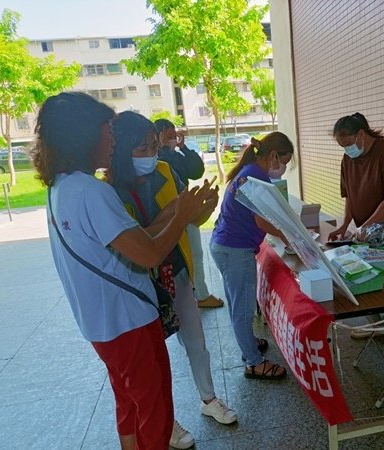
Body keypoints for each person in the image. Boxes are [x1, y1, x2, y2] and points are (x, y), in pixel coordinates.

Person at [32, 92, 211, 450]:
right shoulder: (93, 192)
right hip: (128, 321)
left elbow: (136, 238)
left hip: (102, 323)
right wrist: (181, 215)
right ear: (82, 137)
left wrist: (178, 210)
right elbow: (149, 254)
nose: (112, 139)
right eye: (106, 130)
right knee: (154, 409)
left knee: (128, 402)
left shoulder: (63, 187)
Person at [109, 111, 237, 449]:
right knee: (152, 362)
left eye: (154, 146)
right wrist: (176, 214)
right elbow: (142, 240)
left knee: (196, 340)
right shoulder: (107, 190)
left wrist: (206, 206)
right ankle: (167, 421)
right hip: (140, 283)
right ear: (120, 150)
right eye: (142, 149)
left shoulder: (165, 171)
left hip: (175, 270)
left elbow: (191, 217)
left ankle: (209, 400)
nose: (152, 155)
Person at [328, 113, 384, 354]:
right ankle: (378, 323)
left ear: (361, 134)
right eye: (342, 146)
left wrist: (365, 227)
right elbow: (349, 195)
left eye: (347, 143)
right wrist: (344, 225)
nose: (346, 149)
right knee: (366, 274)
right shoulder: (348, 159)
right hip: (367, 229)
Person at [210, 132, 294, 380]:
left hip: (225, 245)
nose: (284, 168)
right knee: (243, 309)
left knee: (238, 304)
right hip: (236, 250)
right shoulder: (254, 177)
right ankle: (253, 362)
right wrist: (289, 235)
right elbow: (261, 220)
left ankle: (248, 343)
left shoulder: (248, 171)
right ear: (273, 156)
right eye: (285, 162)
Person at [154, 118, 225, 308]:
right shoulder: (158, 159)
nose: (172, 136)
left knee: (195, 252)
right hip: (167, 213)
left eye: (173, 133)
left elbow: (196, 171)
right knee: (187, 254)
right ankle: (197, 294)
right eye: (167, 134)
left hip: (186, 209)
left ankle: (199, 293)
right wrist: (165, 149)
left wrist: (183, 148)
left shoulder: (174, 154)